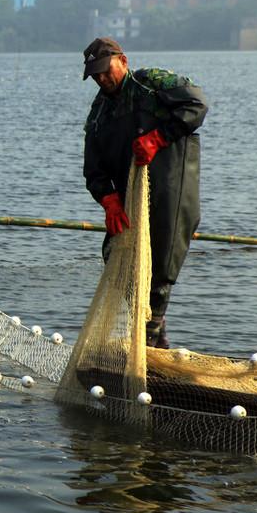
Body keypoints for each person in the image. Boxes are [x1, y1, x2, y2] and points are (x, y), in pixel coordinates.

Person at [80, 37, 208, 348]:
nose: (101, 78)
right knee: (115, 255)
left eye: (105, 70)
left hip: (171, 189)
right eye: (95, 75)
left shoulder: (151, 83)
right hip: (129, 200)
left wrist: (158, 137)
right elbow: (93, 168)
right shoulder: (98, 112)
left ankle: (151, 339)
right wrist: (108, 200)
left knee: (160, 267)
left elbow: (197, 105)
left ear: (122, 60)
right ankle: (152, 335)